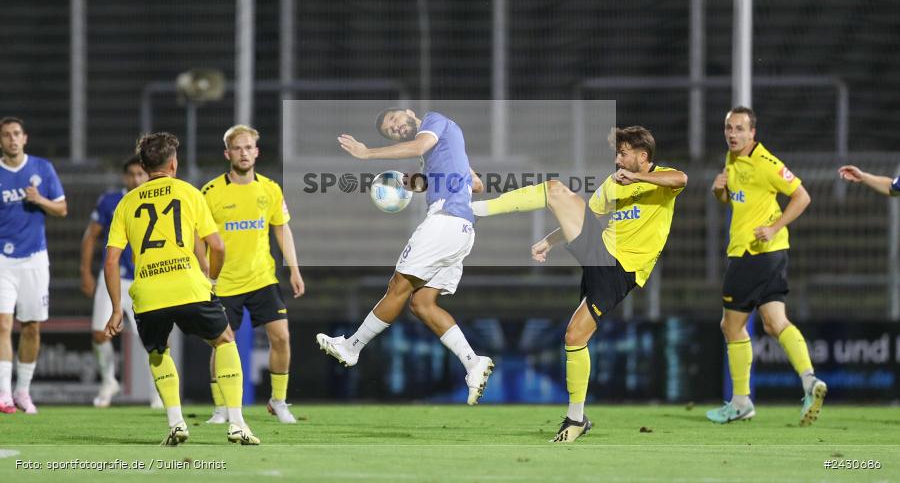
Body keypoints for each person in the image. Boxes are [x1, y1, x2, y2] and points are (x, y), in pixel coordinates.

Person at [472, 126, 686, 443]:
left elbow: (681, 179)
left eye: (623, 153)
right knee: (556, 190)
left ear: (643, 156)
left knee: (575, 336)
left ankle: (576, 417)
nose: (617, 159)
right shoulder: (613, 183)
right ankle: (475, 209)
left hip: (621, 271)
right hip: (600, 255)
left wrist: (638, 179)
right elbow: (588, 217)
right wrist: (549, 241)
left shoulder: (662, 180)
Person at [316, 108, 494, 405]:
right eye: (390, 130)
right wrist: (422, 182)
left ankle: (352, 347)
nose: (396, 128)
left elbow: (419, 145)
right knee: (422, 303)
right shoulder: (445, 144)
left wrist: (367, 153)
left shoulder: (435, 120)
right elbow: (476, 184)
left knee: (398, 286)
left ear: (410, 112)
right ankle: (473, 362)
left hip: (445, 221)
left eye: (395, 120)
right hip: (462, 228)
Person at [104, 132, 259, 445]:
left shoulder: (126, 202)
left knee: (159, 351)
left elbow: (111, 261)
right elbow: (217, 246)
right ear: (173, 163)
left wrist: (114, 308)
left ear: (145, 166)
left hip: (148, 293)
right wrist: (211, 279)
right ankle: (237, 424)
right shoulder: (188, 193)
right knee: (225, 340)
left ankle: (175, 423)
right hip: (188, 286)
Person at [706, 106, 825, 426]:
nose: (733, 134)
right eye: (729, 128)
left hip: (752, 254)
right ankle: (809, 381)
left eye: (739, 129)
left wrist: (773, 228)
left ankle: (741, 401)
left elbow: (802, 196)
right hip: (772, 256)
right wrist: (720, 192)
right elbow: (736, 200)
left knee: (730, 326)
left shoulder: (765, 162)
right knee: (774, 322)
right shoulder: (732, 157)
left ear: (752, 133)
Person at [199, 125, 305, 425]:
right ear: (227, 153)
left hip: (262, 279)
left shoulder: (270, 189)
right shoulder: (210, 192)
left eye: (248, 148)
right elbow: (198, 237)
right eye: (238, 148)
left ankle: (278, 401)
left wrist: (294, 269)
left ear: (256, 152)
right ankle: (221, 408)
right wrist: (204, 273)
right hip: (224, 282)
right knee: (222, 343)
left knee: (282, 338)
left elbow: (282, 229)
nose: (243, 153)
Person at [80, 155, 162, 408]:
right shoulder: (110, 201)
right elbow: (91, 235)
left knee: (154, 338)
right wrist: (85, 271)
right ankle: (108, 381)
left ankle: (158, 391)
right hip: (113, 278)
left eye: (141, 174)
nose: (137, 179)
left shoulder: (158, 198)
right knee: (99, 332)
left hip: (146, 279)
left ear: (147, 175)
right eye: (132, 174)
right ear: (124, 176)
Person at [0, 116, 67, 415]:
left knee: (31, 327)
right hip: (2, 258)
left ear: (25, 138)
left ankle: (22, 392)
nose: (12, 139)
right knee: (2, 324)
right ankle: (3, 394)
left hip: (34, 259)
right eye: (6, 135)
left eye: (16, 134)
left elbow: (62, 209)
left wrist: (39, 199)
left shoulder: (42, 169)